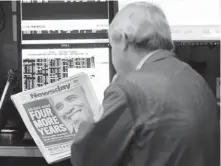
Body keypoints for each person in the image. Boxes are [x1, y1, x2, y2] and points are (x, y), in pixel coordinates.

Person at [71, 2, 220, 166]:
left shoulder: (127, 89)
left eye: (111, 46)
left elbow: (87, 159)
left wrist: (83, 123)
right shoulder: (194, 78)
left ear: (123, 40)